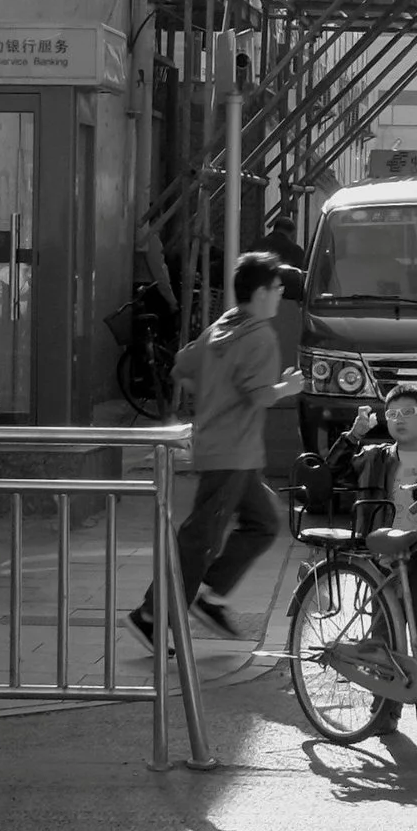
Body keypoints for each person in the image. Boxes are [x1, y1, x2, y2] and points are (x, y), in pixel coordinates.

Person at [130, 251, 305, 647]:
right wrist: (288, 388)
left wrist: (214, 399)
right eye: (277, 288)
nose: (280, 295)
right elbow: (260, 396)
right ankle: (151, 615)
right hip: (234, 453)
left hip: (225, 449)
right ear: (261, 292)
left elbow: (181, 368)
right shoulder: (260, 335)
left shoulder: (222, 326)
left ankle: (210, 595)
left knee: (263, 523)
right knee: (200, 539)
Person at [354, 383, 417, 742]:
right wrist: (354, 435)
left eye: (407, 413)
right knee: (384, 639)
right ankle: (383, 711)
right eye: (391, 414)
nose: (398, 420)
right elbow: (334, 470)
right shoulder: (377, 456)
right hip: (385, 564)